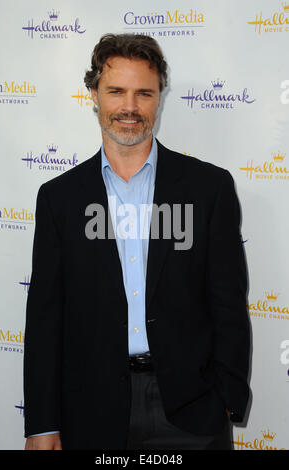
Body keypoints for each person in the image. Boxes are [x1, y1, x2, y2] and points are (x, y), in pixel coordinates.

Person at [24, 33, 251, 450]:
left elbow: (229, 306)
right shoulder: (59, 198)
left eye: (143, 93)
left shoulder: (208, 188)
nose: (129, 107)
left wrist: (226, 400)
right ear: (94, 93)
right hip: (89, 410)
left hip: (191, 413)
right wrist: (41, 425)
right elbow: (44, 321)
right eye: (116, 91)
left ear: (159, 97)